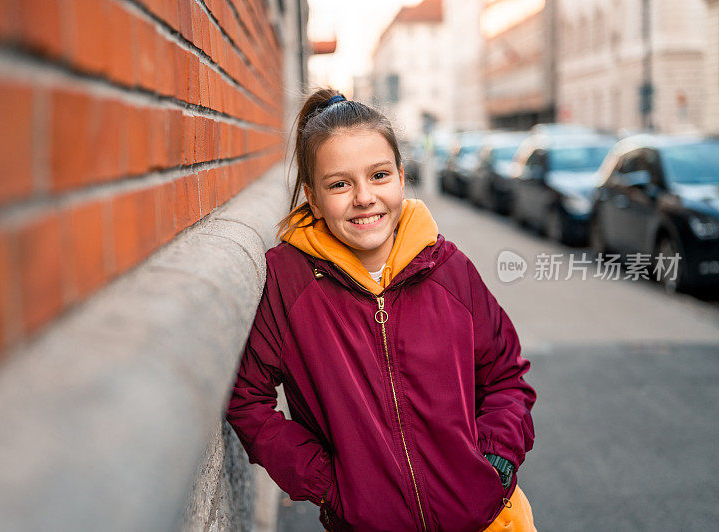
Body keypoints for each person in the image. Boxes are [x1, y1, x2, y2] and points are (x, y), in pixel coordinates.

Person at [224, 89, 537, 532]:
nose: (364, 197)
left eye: (378, 175)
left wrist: (496, 459)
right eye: (339, 184)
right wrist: (332, 485)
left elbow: (506, 377)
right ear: (312, 198)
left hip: (489, 521)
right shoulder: (289, 283)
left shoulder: (449, 269)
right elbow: (247, 402)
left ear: (401, 177)